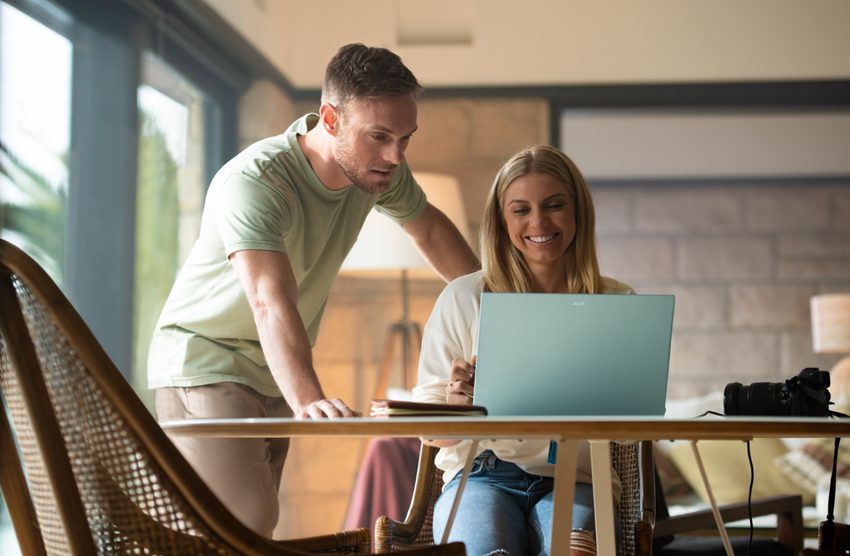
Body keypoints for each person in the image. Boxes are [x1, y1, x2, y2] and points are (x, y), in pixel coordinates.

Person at [149, 43, 479, 537]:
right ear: (330, 118)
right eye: (379, 136)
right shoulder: (257, 182)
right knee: (246, 522)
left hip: (268, 368)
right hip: (204, 359)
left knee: (241, 528)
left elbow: (429, 229)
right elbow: (267, 298)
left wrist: (495, 306)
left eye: (405, 138)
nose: (394, 155)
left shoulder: (379, 173)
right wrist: (307, 397)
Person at [412, 145, 635, 556]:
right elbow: (430, 430)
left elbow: (628, 427)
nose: (538, 222)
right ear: (501, 219)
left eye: (554, 206)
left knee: (573, 551)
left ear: (578, 212)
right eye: (521, 209)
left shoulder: (616, 302)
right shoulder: (464, 297)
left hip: (578, 478)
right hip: (480, 475)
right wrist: (459, 410)